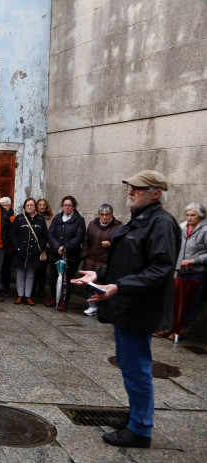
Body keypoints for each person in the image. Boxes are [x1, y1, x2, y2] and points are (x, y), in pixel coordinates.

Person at [71, 170, 179, 449]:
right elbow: (127, 265)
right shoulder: (140, 220)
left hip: (139, 307)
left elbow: (160, 269)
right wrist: (100, 276)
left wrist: (118, 287)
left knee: (137, 367)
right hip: (125, 304)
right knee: (128, 363)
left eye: (138, 189)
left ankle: (141, 429)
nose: (130, 191)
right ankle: (135, 416)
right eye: (130, 187)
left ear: (156, 193)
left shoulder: (161, 223)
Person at [155, 202, 207, 339]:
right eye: (187, 215)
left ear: (200, 216)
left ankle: (181, 328)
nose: (189, 218)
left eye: (193, 215)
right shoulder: (183, 228)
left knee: (192, 302)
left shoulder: (205, 230)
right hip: (180, 270)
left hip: (197, 272)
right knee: (175, 300)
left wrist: (194, 260)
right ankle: (169, 326)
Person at [45, 195, 86, 311]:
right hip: (55, 254)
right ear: (62, 206)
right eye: (65, 205)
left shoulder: (79, 220)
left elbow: (79, 237)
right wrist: (57, 247)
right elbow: (50, 234)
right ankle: (54, 297)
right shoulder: (57, 218)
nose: (67, 207)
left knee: (67, 279)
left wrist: (66, 248)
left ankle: (64, 301)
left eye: (69, 205)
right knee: (53, 277)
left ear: (74, 207)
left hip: (71, 256)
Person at [80, 204, 122, 316]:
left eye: (107, 215)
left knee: (102, 286)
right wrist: (85, 254)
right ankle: (92, 307)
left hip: (105, 261)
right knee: (90, 285)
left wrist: (110, 244)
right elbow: (86, 241)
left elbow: (121, 245)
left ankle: (101, 309)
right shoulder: (93, 224)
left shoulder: (118, 227)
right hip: (91, 259)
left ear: (111, 215)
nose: (104, 217)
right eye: (101, 215)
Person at [10, 198, 47, 306]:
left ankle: (28, 296)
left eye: (31, 205)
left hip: (34, 251)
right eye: (27, 205)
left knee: (31, 274)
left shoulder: (40, 219)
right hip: (21, 251)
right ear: (24, 207)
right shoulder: (19, 218)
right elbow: (13, 234)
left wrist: (40, 248)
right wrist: (17, 247)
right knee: (20, 274)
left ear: (35, 206)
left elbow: (45, 236)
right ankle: (20, 295)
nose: (29, 207)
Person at [34, 198, 54, 299]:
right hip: (34, 247)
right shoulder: (33, 216)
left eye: (43, 205)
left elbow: (51, 233)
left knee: (42, 271)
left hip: (45, 248)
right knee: (33, 270)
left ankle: (41, 291)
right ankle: (32, 290)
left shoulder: (50, 218)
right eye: (40, 205)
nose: (42, 207)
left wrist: (46, 245)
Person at [0, 197, 15, 297]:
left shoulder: (14, 217)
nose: (5, 207)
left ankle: (6, 288)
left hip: (8, 248)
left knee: (6, 268)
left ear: (10, 206)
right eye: (3, 205)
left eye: (6, 205)